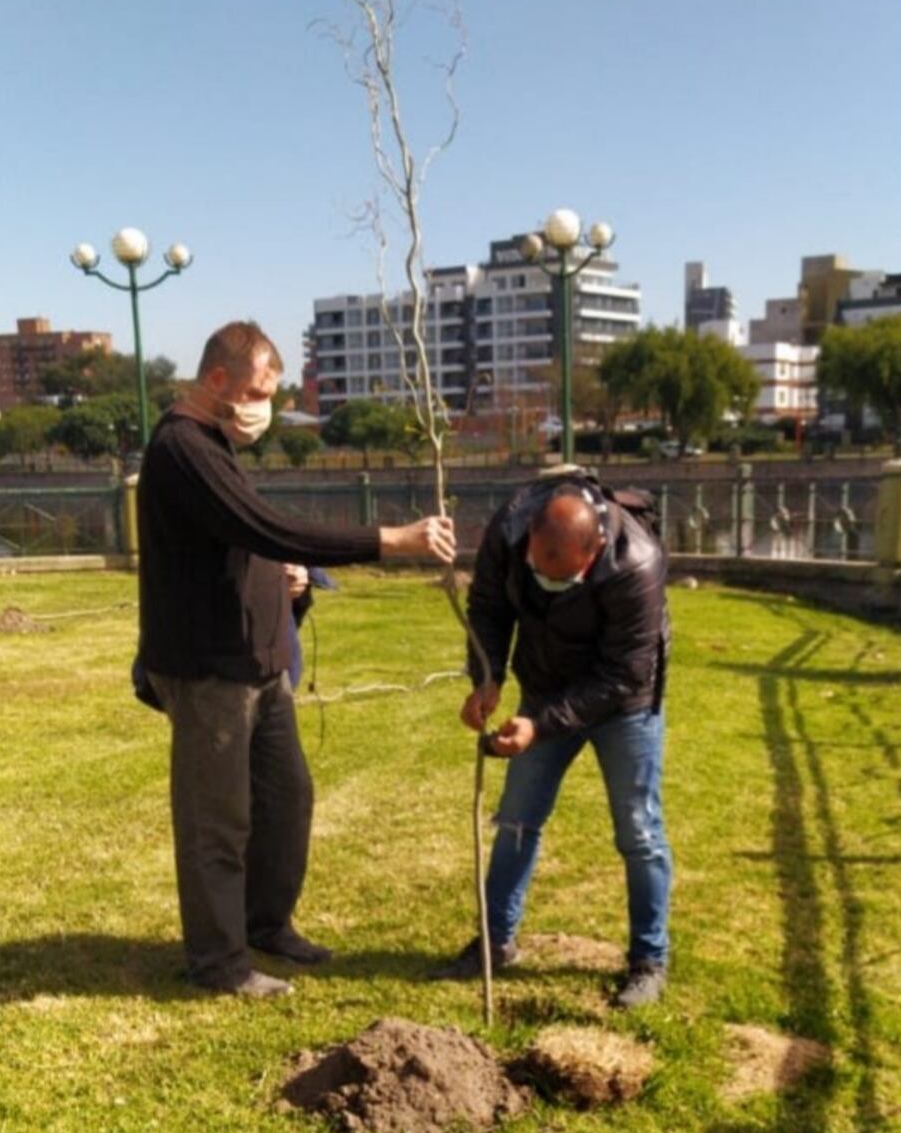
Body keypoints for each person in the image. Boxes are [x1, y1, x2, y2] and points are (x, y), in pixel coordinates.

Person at [138, 320, 455, 1000]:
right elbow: (260, 525)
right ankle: (218, 963)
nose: (263, 407)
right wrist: (391, 539)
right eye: (256, 390)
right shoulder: (182, 446)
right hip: (210, 669)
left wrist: (284, 574)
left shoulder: (216, 445)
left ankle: (266, 923)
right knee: (216, 820)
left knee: (287, 798)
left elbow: (240, 538)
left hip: (261, 660)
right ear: (217, 379)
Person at [432, 473, 672, 1008]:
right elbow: (489, 608)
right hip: (544, 684)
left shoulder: (638, 563)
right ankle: (494, 945)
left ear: (597, 550)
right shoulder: (510, 530)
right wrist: (488, 676)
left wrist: (540, 725)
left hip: (624, 702)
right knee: (517, 818)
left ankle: (648, 960)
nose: (543, 580)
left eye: (559, 575)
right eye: (537, 568)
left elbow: (623, 675)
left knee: (639, 829)